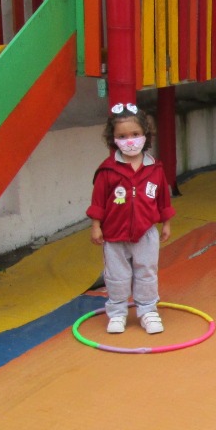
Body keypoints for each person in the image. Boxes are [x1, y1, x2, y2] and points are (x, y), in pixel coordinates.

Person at [87, 103, 174, 335]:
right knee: (117, 276)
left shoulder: (155, 168)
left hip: (146, 234)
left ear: (145, 135)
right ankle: (117, 313)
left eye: (135, 134)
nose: (130, 140)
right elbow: (98, 201)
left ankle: (147, 311)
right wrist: (96, 226)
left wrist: (166, 223)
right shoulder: (108, 170)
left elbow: (163, 199)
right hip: (114, 236)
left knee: (146, 272)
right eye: (123, 136)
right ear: (113, 139)